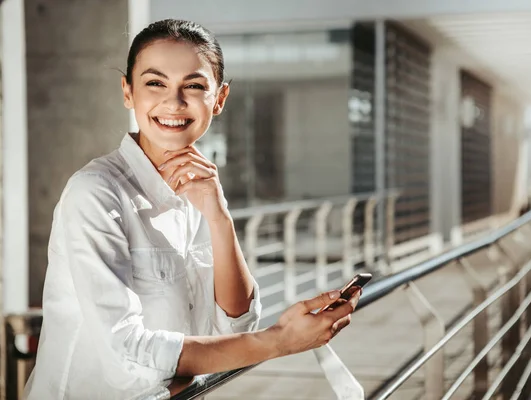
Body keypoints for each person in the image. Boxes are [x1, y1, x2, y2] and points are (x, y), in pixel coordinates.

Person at [24, 19, 360, 399]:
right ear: (128, 92)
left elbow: (234, 331)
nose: (174, 102)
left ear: (219, 99)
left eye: (195, 86)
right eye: (155, 83)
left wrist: (219, 217)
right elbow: (126, 356)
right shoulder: (95, 192)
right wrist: (279, 341)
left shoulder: (201, 188)